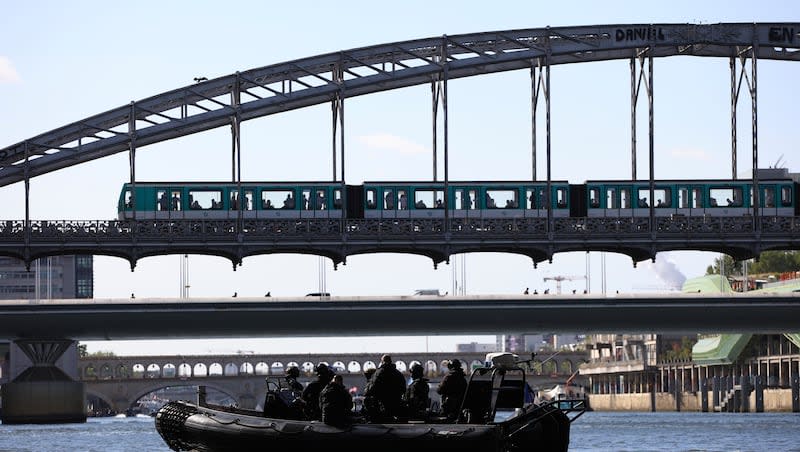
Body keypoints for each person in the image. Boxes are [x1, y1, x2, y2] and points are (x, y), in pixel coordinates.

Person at [365, 354, 406, 421]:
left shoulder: (378, 373)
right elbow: (403, 389)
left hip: (383, 406)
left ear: (382, 362)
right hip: (396, 405)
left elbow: (372, 389)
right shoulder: (399, 374)